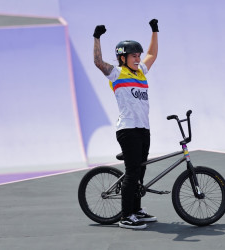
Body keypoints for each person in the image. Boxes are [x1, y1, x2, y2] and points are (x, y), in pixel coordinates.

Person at [93, 19, 159, 229]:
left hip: (143, 129)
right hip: (128, 129)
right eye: (134, 55)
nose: (138, 58)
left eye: (138, 55)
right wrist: (96, 37)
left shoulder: (141, 72)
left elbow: (153, 55)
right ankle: (125, 216)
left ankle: (136, 210)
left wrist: (154, 31)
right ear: (123, 57)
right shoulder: (116, 73)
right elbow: (98, 62)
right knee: (132, 172)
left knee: (140, 172)